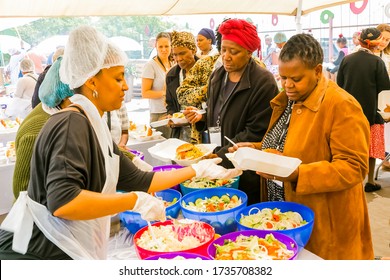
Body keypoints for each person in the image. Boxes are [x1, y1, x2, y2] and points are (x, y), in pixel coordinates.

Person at [0, 26, 241, 260]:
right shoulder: (71, 123)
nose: (126, 86)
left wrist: (197, 169)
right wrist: (134, 200)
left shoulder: (92, 124)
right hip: (36, 252)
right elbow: (64, 201)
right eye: (118, 78)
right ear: (92, 81)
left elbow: (139, 180)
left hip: (58, 245)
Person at [230, 33, 374, 260]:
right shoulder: (290, 98)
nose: (287, 85)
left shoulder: (342, 105)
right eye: (283, 77)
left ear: (317, 71)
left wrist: (297, 174)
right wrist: (257, 149)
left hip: (326, 222)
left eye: (295, 79)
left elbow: (353, 167)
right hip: (289, 215)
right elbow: (289, 143)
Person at [184, 18, 278, 205]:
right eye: (224, 49)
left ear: (249, 52)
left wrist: (219, 155)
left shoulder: (263, 82)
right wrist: (202, 117)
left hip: (246, 170)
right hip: (219, 164)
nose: (226, 56)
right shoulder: (218, 76)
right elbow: (215, 113)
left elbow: (256, 131)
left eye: (233, 52)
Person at [12, 56, 73, 200]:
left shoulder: (65, 114)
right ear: (66, 94)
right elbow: (21, 190)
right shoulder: (36, 132)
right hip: (38, 215)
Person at [337, 27, 390, 192]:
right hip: (371, 113)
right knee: (370, 148)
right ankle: (370, 181)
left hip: (348, 113)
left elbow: (339, 84)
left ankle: (351, 181)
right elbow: (385, 88)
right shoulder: (377, 62)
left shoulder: (347, 60)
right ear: (374, 44)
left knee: (351, 148)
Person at [166, 30, 199, 140]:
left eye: (182, 53)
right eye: (175, 54)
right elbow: (170, 103)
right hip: (180, 133)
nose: (178, 59)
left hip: (202, 130)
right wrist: (171, 115)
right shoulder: (172, 76)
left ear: (193, 50)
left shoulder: (208, 72)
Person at [141, 32, 173, 138]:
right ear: (156, 46)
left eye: (166, 46)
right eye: (161, 46)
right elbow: (145, 93)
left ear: (171, 46)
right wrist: (165, 93)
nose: (164, 49)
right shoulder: (150, 65)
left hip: (173, 113)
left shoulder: (173, 64)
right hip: (159, 114)